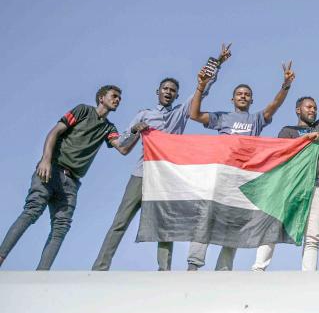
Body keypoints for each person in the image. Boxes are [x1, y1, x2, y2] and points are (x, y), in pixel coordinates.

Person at [92, 44, 231, 271]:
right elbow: (124, 146)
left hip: (167, 178)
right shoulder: (144, 114)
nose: (168, 91)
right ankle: (100, 267)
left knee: (166, 225)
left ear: (176, 95)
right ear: (158, 92)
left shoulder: (180, 114)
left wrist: (218, 62)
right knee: (120, 221)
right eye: (164, 88)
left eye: (172, 90)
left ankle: (164, 271)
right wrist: (135, 129)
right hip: (141, 174)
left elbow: (202, 87)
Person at [0, 85, 142, 270]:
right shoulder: (82, 110)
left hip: (72, 183)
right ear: (101, 97)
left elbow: (122, 148)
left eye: (119, 99)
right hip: (51, 171)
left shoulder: (109, 128)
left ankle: (41, 275)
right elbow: (55, 131)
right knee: (32, 212)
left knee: (61, 227)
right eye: (114, 96)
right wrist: (45, 159)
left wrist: (137, 131)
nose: (117, 100)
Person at [186, 60, 296, 271]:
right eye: (239, 94)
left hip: (243, 178)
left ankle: (224, 269)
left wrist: (286, 85)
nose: (243, 96)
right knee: (206, 216)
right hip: (220, 175)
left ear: (251, 99)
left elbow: (274, 105)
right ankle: (193, 265)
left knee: (234, 221)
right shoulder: (222, 117)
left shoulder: (256, 119)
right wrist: (201, 86)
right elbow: (194, 115)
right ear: (233, 98)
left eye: (247, 94)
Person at [251, 65, 319, 271]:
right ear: (298, 110)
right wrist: (306, 139)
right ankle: (258, 269)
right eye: (309, 107)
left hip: (316, 186)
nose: (313, 110)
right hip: (290, 186)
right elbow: (280, 156)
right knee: (273, 226)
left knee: (313, 235)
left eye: (315, 108)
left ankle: (308, 276)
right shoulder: (288, 131)